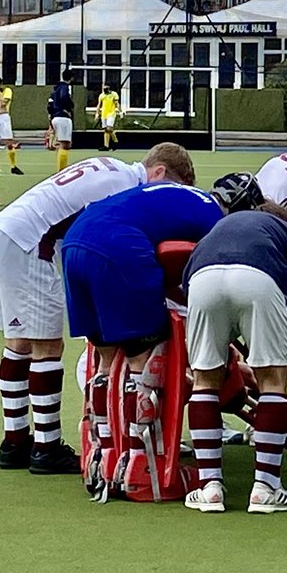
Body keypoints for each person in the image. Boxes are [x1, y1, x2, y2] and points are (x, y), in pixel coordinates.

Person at [0, 143, 196, 474]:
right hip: (33, 241)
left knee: (19, 343)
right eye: (170, 188)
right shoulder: (128, 188)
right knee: (46, 347)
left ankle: (15, 441)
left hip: (5, 229)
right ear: (158, 173)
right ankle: (46, 446)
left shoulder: (109, 165)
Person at [60, 181, 224, 492]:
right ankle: (141, 464)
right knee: (145, 359)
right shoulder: (217, 218)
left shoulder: (174, 195)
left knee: (104, 358)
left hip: (75, 243)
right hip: (119, 245)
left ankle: (105, 456)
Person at [182, 193, 287, 514]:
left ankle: (210, 487)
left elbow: (187, 282)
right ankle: (265, 487)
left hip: (201, 280)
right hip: (261, 277)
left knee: (204, 382)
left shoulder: (221, 227)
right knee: (272, 384)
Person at [0, 74, 24, 176]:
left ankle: (13, 166)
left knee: (9, 142)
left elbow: (3, 104)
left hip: (4, 117)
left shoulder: (7, 91)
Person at [48, 69, 75, 172]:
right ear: (71, 78)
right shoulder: (64, 87)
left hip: (56, 116)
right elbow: (64, 97)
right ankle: (61, 170)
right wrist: (68, 108)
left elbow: (50, 103)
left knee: (65, 144)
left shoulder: (55, 89)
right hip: (62, 117)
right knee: (65, 145)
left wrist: (51, 116)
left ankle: (62, 168)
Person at [95, 83, 123, 152]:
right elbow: (99, 105)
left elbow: (116, 103)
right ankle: (106, 146)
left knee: (109, 128)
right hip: (104, 114)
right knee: (106, 130)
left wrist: (120, 112)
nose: (104, 89)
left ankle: (116, 141)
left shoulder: (114, 94)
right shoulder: (101, 95)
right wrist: (97, 113)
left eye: (106, 88)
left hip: (111, 114)